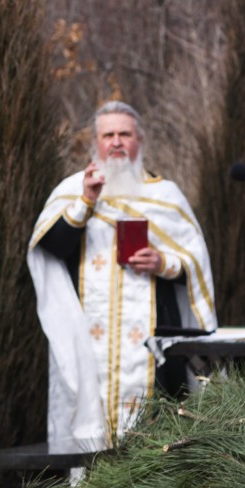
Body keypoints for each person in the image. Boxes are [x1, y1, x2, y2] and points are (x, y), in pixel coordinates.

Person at [28, 101, 216, 445]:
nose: (116, 142)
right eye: (108, 134)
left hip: (153, 348)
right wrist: (86, 201)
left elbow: (194, 260)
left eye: (124, 134)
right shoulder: (72, 191)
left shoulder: (166, 196)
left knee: (157, 445)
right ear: (95, 143)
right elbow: (51, 249)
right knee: (90, 439)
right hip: (87, 343)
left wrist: (162, 263)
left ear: (139, 140)